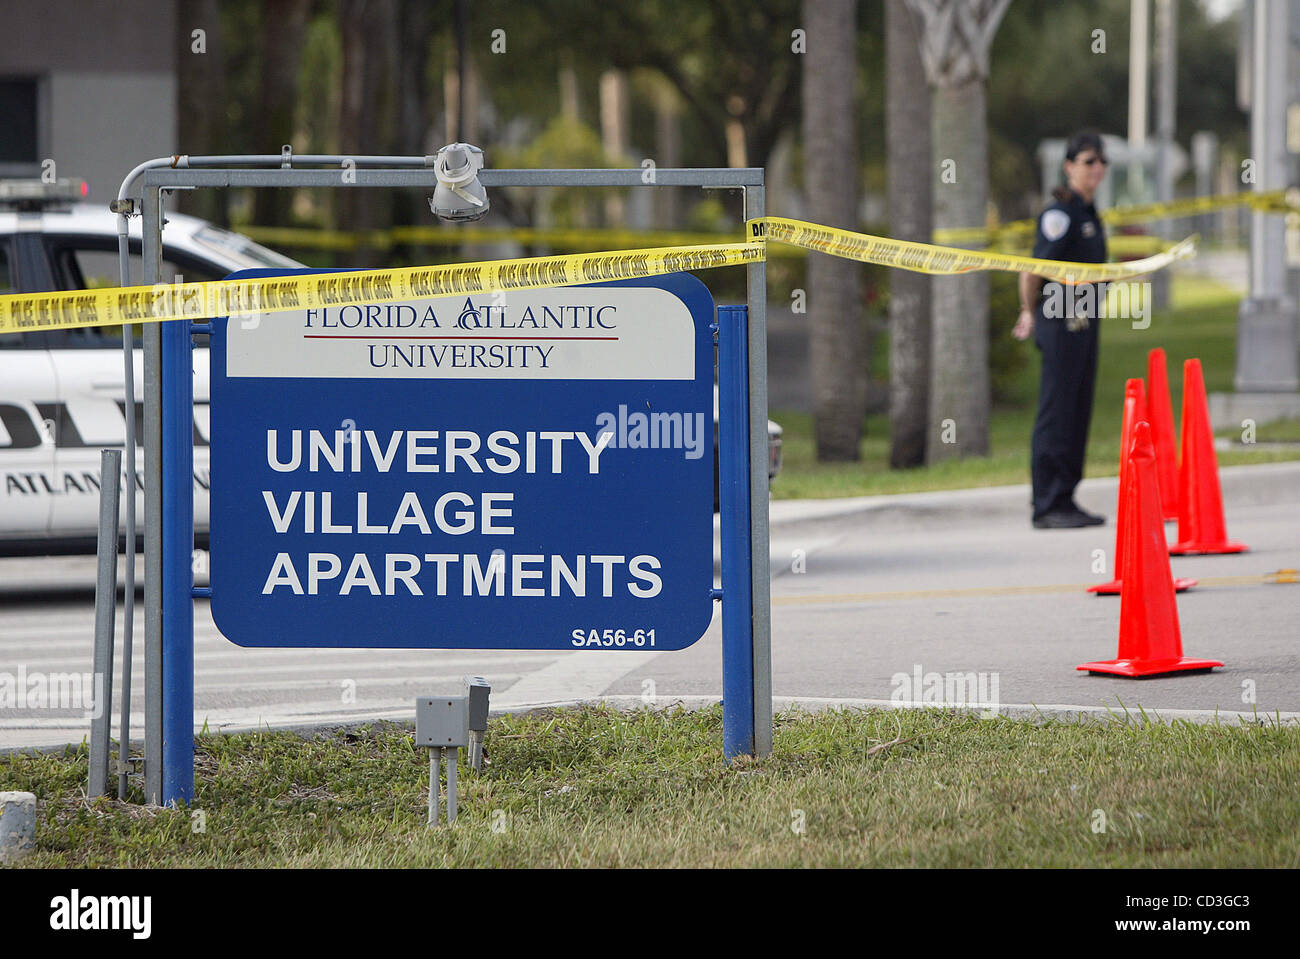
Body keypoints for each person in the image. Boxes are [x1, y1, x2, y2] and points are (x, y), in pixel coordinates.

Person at [1014, 129, 1110, 529]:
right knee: (1057, 410)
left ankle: (1066, 497)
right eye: (1089, 162)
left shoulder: (1089, 212)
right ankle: (1047, 503)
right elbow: (1033, 268)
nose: (1097, 169)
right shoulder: (1060, 214)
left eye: (1101, 162)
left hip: (1084, 317)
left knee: (1077, 408)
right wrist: (1027, 312)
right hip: (1059, 316)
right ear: (1069, 167)